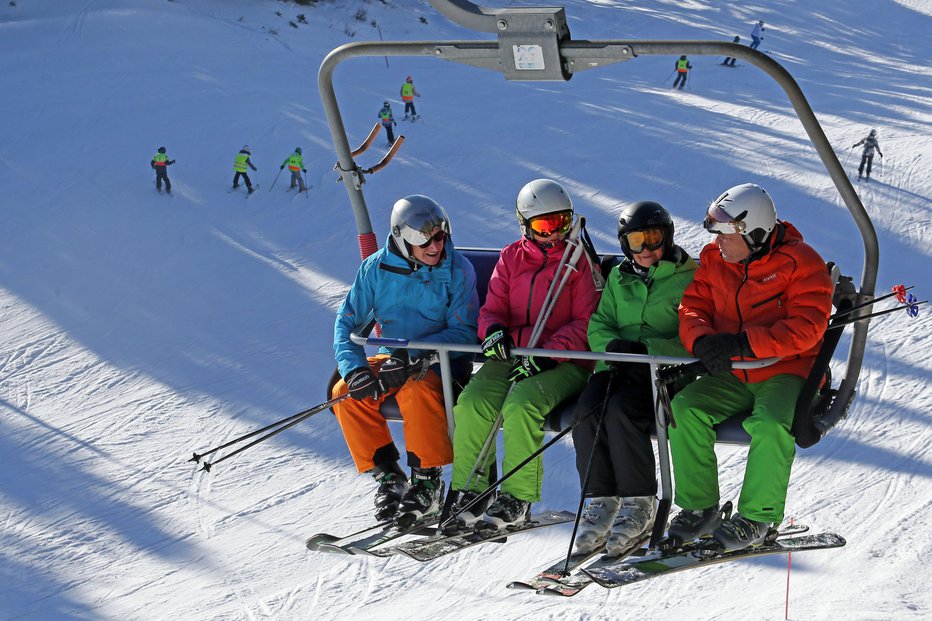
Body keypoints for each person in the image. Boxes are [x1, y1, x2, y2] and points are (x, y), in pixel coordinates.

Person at [666, 183, 833, 552]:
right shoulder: (714, 260)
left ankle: (758, 516)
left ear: (755, 233)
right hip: (736, 372)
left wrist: (744, 343)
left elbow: (807, 327)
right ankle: (699, 507)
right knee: (684, 409)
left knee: (772, 423)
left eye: (726, 233)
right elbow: (692, 306)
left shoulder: (801, 263)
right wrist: (702, 340)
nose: (718, 241)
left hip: (788, 369)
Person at [448, 179, 600, 533]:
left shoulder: (577, 263)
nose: (554, 234)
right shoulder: (511, 258)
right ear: (525, 225)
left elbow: (586, 324)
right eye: (544, 226)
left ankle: (517, 496)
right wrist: (494, 330)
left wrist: (548, 354)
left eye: (562, 222)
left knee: (521, 404)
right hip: (513, 354)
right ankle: (470, 486)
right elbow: (491, 310)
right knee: (473, 401)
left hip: (565, 361)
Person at [331, 195, 479, 525]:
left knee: (416, 389)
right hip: (394, 356)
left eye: (440, 236)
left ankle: (427, 480)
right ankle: (389, 477)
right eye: (421, 239)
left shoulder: (457, 270)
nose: (433, 246)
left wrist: (416, 355)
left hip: (443, 363)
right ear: (400, 237)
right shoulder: (375, 269)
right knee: (345, 392)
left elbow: (465, 332)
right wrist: (355, 370)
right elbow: (347, 322)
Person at [571, 201, 697, 556]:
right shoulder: (618, 277)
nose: (646, 249)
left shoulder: (689, 277)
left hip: (663, 375)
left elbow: (691, 335)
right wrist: (612, 347)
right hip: (616, 366)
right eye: (636, 240)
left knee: (621, 411)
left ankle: (640, 503)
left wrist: (647, 351)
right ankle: (601, 502)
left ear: (668, 237)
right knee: (586, 410)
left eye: (653, 238)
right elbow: (599, 324)